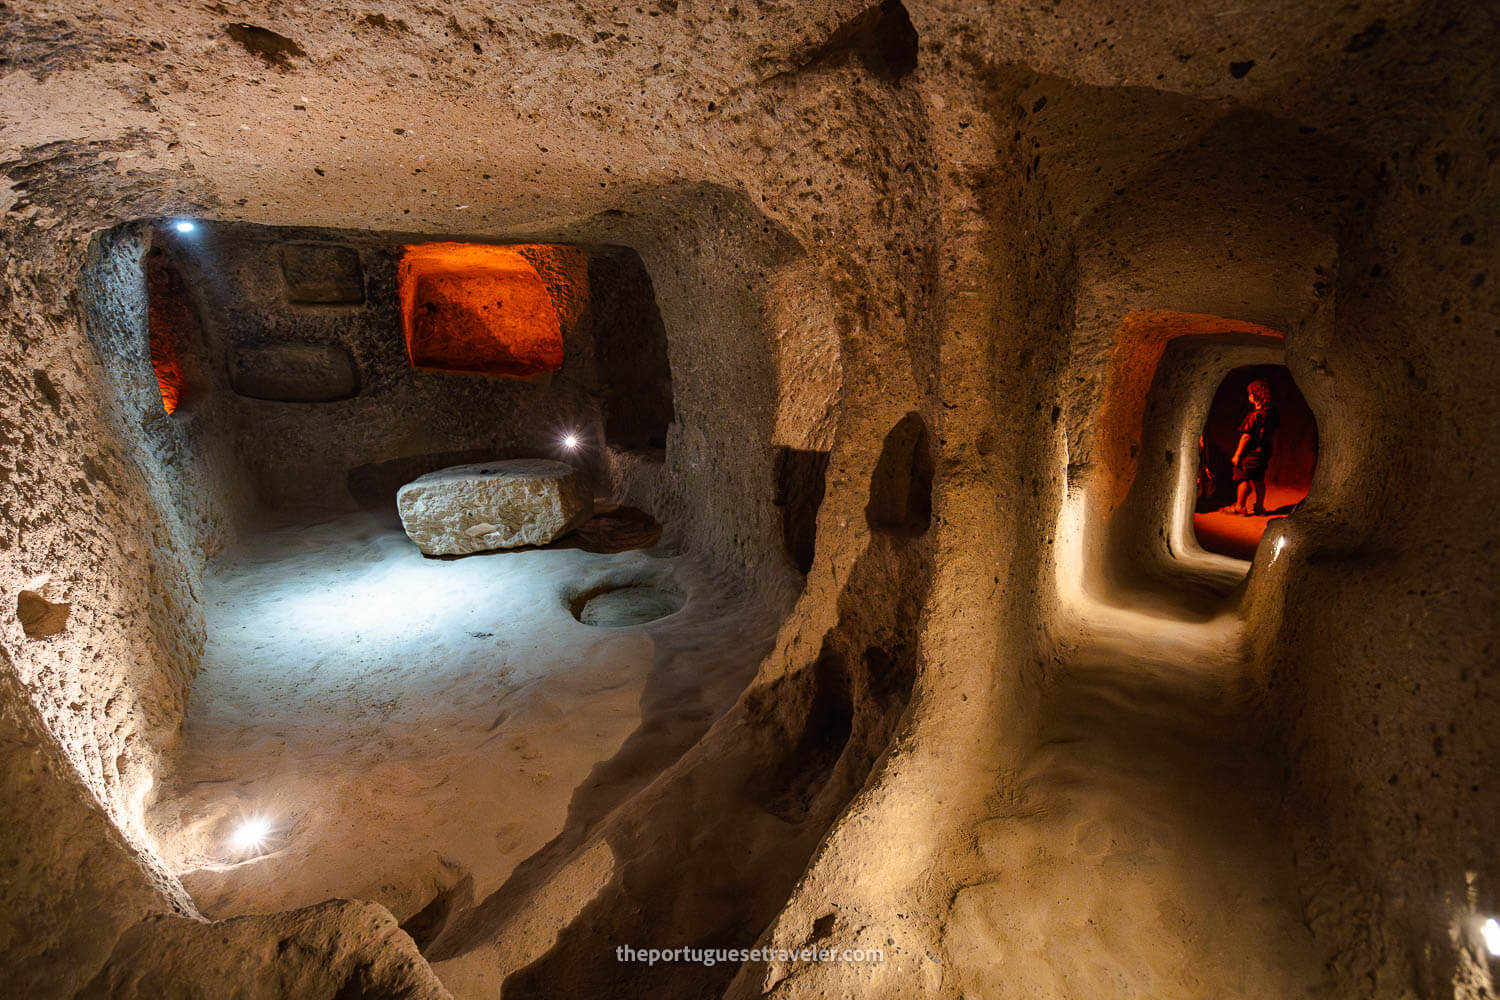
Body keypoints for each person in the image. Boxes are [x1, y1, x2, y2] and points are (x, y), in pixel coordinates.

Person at [1223, 379, 1279, 515]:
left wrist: (1237, 455)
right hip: (1263, 453)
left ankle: (1240, 507)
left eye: (1249, 394)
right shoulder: (1270, 415)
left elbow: (1246, 436)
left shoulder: (1253, 416)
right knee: (1259, 479)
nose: (1248, 396)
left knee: (1243, 478)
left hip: (1250, 453)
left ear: (1255, 396)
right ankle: (1260, 507)